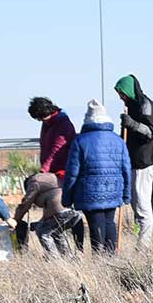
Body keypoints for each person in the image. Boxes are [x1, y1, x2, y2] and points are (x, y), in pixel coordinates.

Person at [63, 100, 132, 255]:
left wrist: (67, 197)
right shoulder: (118, 140)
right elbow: (126, 168)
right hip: (113, 188)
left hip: (88, 192)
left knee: (96, 223)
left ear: (87, 120)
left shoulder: (80, 141)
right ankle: (111, 256)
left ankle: (98, 258)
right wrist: (126, 193)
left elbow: (72, 172)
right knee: (109, 221)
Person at [114, 74, 153, 244]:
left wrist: (132, 124)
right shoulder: (132, 106)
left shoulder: (146, 107)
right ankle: (142, 241)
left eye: (121, 93)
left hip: (145, 162)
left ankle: (145, 245)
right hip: (134, 161)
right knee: (136, 204)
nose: (120, 97)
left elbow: (151, 133)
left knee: (142, 205)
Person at [14, 172, 85, 255]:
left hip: (62, 210)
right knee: (57, 232)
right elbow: (50, 208)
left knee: (43, 232)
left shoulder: (34, 182)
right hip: (75, 209)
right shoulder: (50, 178)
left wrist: (16, 219)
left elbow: (26, 202)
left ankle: (53, 257)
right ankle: (67, 256)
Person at [29, 97, 77, 183]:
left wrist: (44, 169)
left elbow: (56, 150)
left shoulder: (64, 125)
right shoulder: (47, 123)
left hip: (61, 171)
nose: (40, 120)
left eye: (41, 118)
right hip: (50, 169)